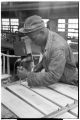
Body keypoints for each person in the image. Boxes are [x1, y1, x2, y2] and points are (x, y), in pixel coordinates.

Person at [17, 15, 78, 87]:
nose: (32, 42)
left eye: (33, 38)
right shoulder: (47, 39)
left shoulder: (58, 47)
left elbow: (53, 76)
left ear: (42, 32)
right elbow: (48, 55)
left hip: (69, 84)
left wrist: (27, 75)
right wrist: (40, 66)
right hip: (59, 81)